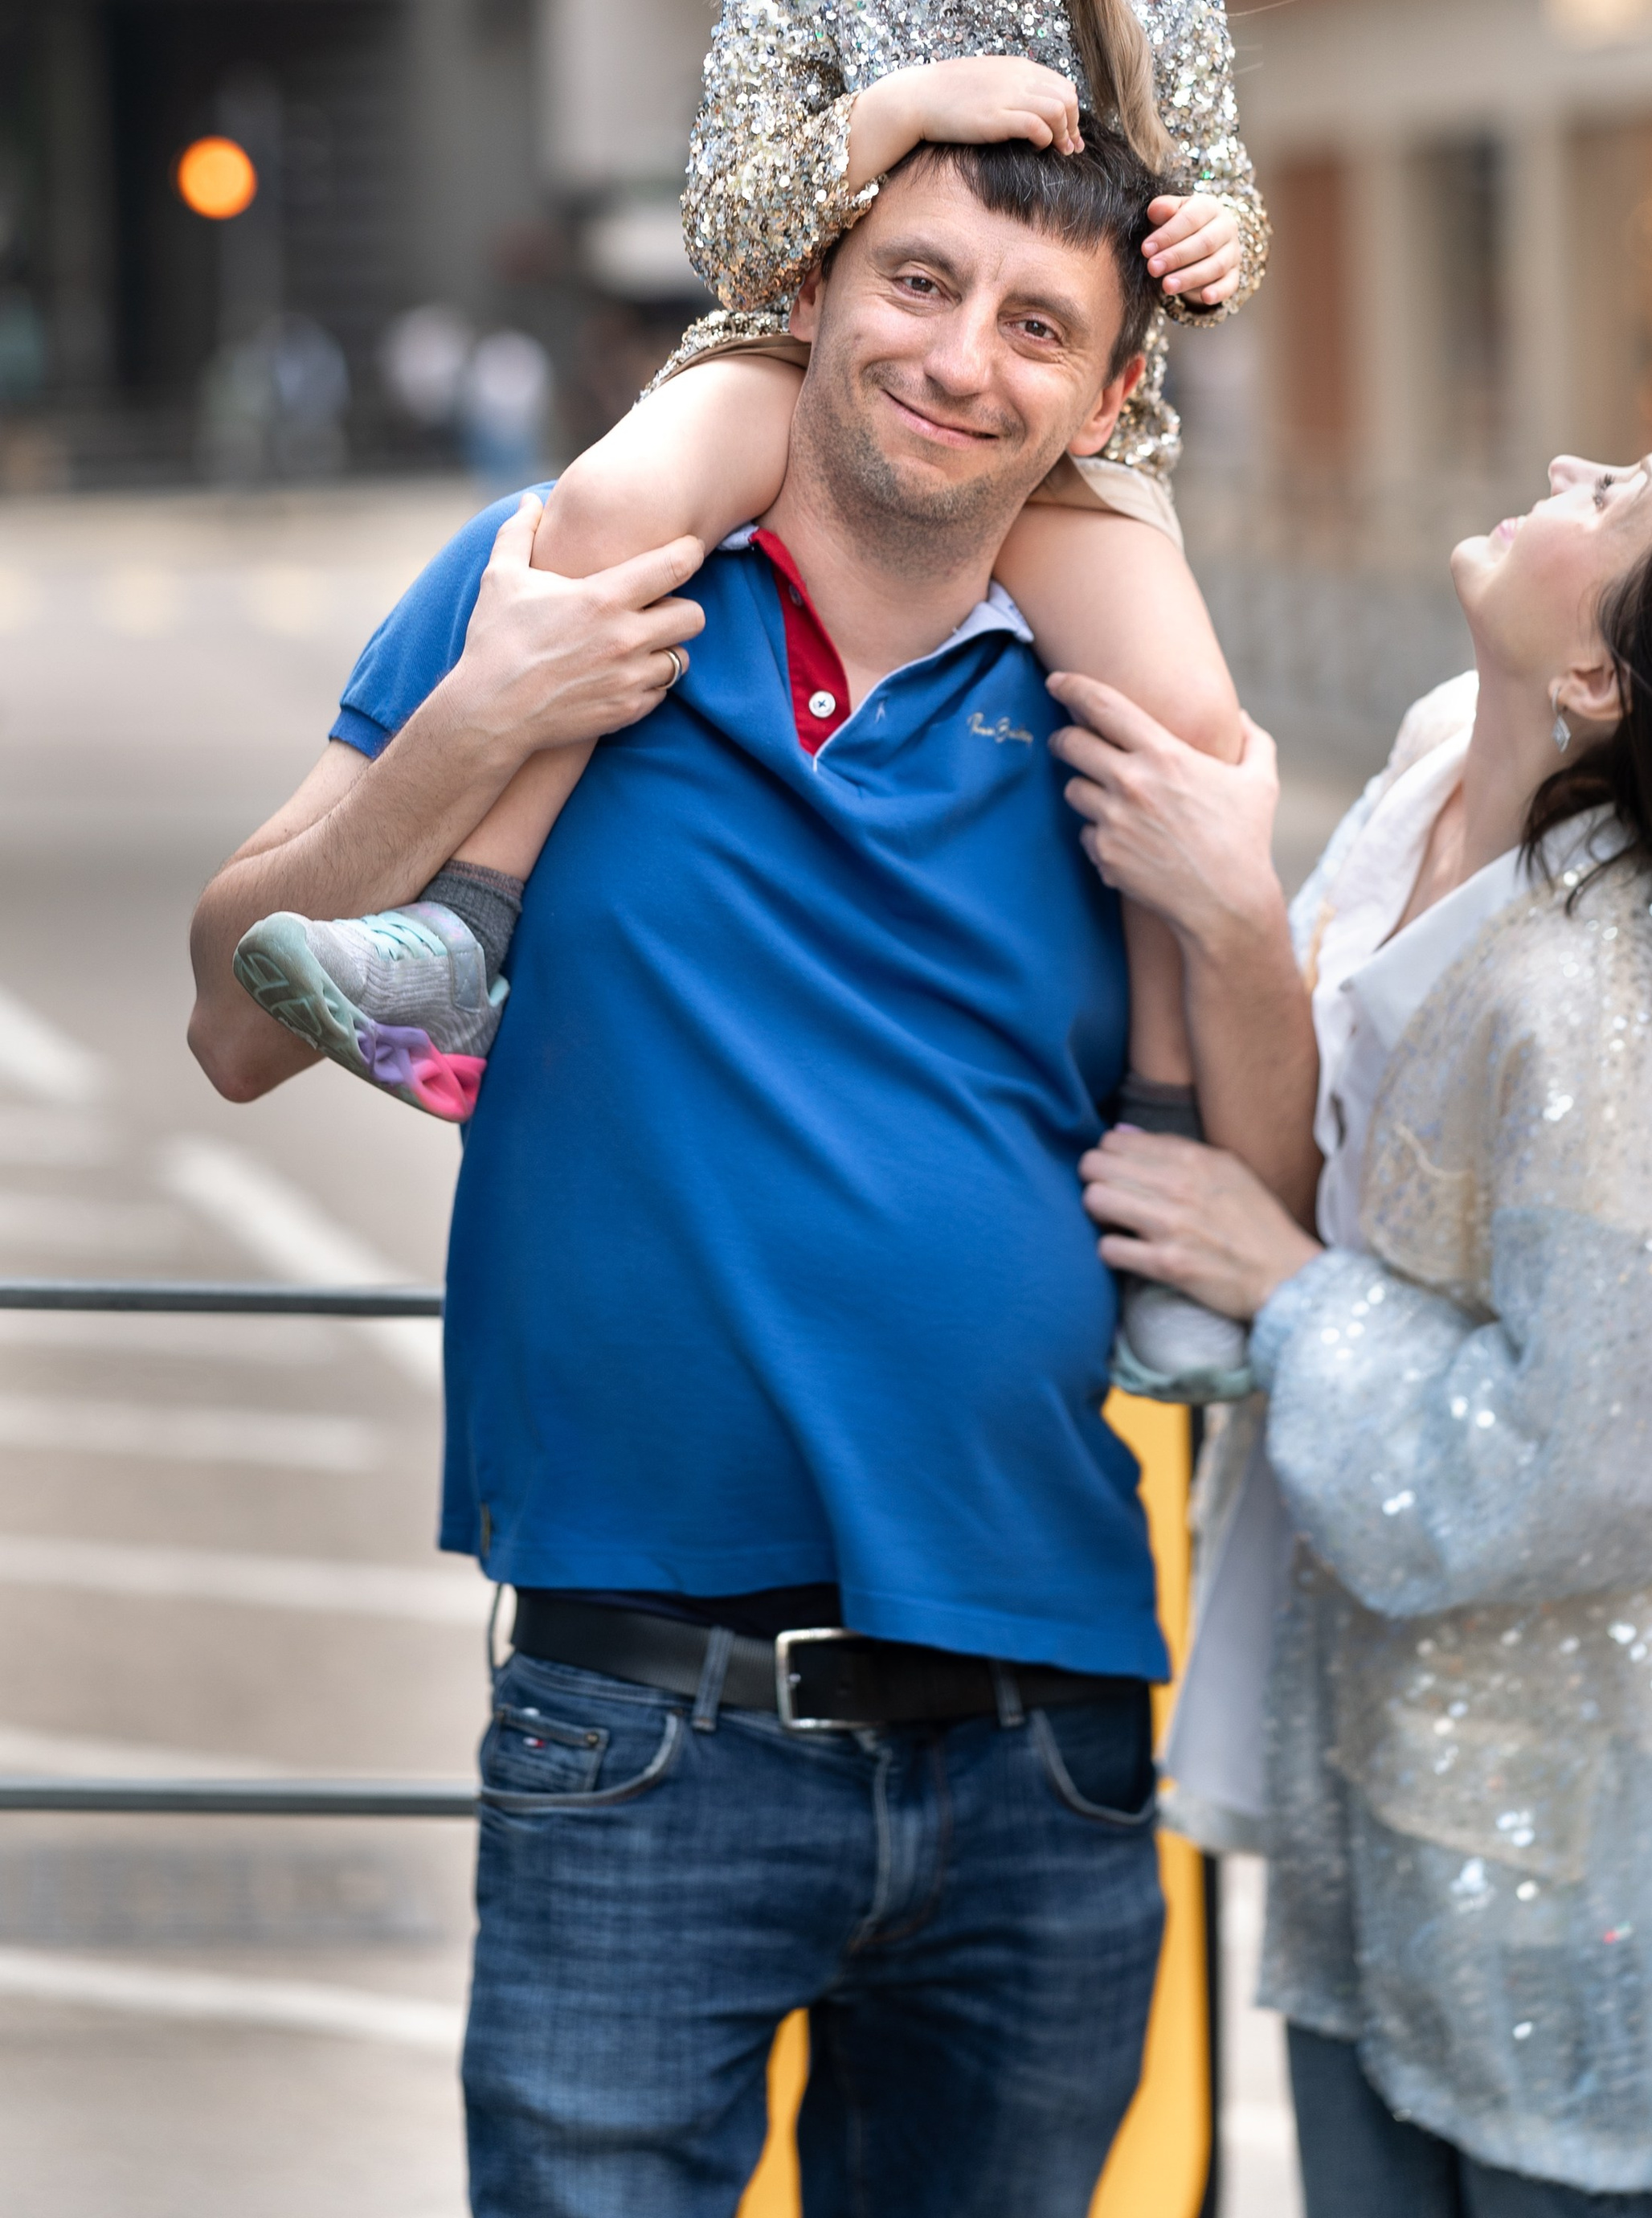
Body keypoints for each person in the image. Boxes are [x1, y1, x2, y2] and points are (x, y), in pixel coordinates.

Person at [188, 131, 1184, 2218]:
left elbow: (1246, 1183)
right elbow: (236, 1020)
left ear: (1105, 398)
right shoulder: (560, 575)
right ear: (807, 290)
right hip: (644, 1722)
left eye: (1035, 325)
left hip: (1044, 1743)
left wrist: (1242, 914)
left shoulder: (1116, 708)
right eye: (919, 281)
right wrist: (484, 716)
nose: (959, 359)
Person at [237, 0, 1269, 1195]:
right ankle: (467, 925)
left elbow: (1216, 180)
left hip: (1065, 427)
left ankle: (1166, 1109)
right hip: (793, 357)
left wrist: (1214, 234)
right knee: (604, 511)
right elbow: (726, 231)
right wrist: (897, 113)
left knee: (1184, 720)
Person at [1049, 417, 1652, 2214]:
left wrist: (1282, 1293)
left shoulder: (1601, 1001)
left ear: (1597, 676)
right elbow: (1341, 1150)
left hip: (1573, 1866)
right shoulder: (1431, 760)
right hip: (1387, 1756)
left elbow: (1605, 1448)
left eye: (1613, 500)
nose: (1566, 467)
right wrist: (1233, 935)